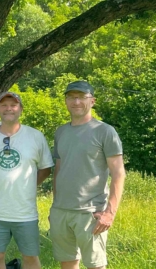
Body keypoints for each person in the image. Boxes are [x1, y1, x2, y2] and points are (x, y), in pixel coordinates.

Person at [50, 81, 125, 269]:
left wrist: (109, 213)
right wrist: (55, 206)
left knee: (95, 266)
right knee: (67, 263)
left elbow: (118, 174)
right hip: (61, 211)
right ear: (66, 101)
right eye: (71, 97)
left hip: (91, 213)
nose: (76, 102)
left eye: (82, 97)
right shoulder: (61, 132)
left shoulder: (105, 131)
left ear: (92, 101)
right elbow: (59, 171)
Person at [0, 92, 53, 269]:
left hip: (25, 212)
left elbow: (46, 168)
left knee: (30, 257)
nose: (9, 109)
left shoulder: (35, 136)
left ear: (21, 109)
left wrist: (27, 185)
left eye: (13, 105)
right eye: (4, 105)